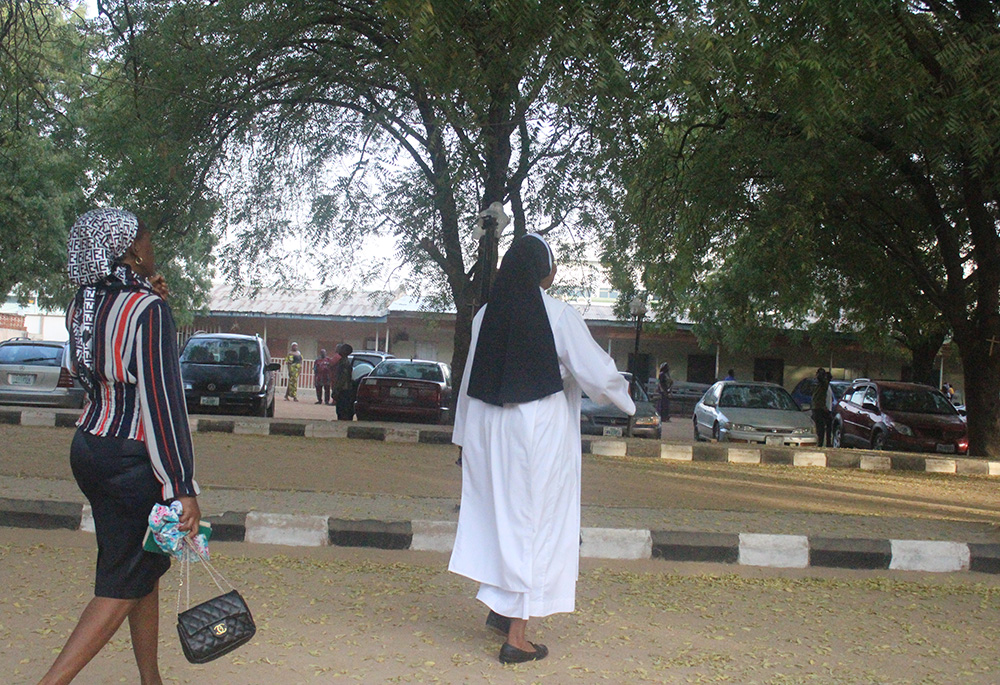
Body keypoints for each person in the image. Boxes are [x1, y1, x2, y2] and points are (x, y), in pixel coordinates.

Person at [449, 234, 635, 664]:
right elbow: (598, 373)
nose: (555, 275)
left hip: (488, 434)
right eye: (552, 268)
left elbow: (468, 385)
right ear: (540, 271)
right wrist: (627, 402)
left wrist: (463, 440)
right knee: (534, 527)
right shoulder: (557, 315)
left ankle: (501, 609)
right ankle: (517, 638)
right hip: (536, 434)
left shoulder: (483, 318)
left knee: (501, 520)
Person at [40, 209, 200, 685]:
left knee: (139, 568)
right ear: (129, 249)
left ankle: (151, 680)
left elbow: (95, 374)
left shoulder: (81, 305)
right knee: (122, 581)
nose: (153, 249)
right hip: (133, 461)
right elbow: (162, 403)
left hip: (90, 447)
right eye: (147, 241)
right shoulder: (148, 311)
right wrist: (181, 485)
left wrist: (150, 299)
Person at [811, 368, 832, 447]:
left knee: (822, 426)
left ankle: (823, 443)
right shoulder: (820, 384)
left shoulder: (823, 384)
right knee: (821, 427)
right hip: (819, 407)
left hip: (820, 408)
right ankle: (822, 442)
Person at [333, 343, 355, 420]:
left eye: (341, 349)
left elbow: (342, 378)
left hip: (343, 390)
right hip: (344, 389)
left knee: (341, 410)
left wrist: (336, 390)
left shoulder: (344, 363)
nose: (339, 350)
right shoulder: (343, 361)